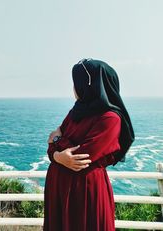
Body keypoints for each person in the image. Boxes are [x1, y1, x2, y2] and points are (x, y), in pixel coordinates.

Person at [43, 59, 135, 231]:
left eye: (76, 83)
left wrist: (57, 143)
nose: (73, 88)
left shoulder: (110, 118)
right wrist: (57, 156)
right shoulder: (75, 112)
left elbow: (83, 157)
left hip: (84, 191)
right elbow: (51, 147)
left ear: (89, 85)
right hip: (59, 189)